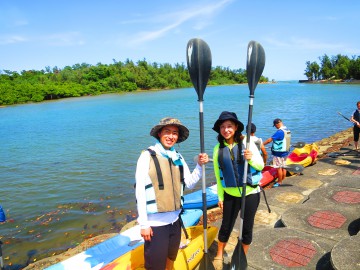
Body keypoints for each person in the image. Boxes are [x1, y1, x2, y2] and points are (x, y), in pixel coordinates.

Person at [135, 117, 209, 270]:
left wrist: (200, 166)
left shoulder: (178, 157)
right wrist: (144, 224)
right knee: (155, 266)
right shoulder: (147, 156)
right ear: (159, 134)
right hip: (156, 225)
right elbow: (140, 191)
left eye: (175, 133)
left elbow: (190, 182)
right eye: (167, 132)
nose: (171, 136)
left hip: (175, 221)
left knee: (171, 259)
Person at [211, 111, 264, 269]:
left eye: (229, 126)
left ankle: (240, 257)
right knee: (226, 226)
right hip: (230, 195)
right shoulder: (217, 149)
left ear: (235, 127)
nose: (226, 130)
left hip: (250, 194)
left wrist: (251, 158)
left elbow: (261, 165)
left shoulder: (247, 142)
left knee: (247, 228)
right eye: (222, 127)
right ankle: (219, 254)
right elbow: (218, 177)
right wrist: (220, 197)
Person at [263, 118, 291, 184]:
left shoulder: (279, 132)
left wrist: (261, 145)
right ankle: (283, 178)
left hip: (279, 153)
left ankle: (279, 182)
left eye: (275, 126)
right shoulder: (287, 130)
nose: (275, 127)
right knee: (284, 166)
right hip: (286, 151)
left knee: (279, 168)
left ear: (277, 124)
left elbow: (269, 140)